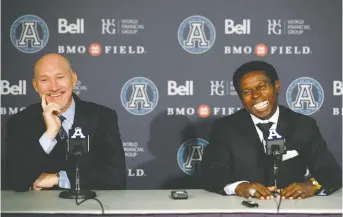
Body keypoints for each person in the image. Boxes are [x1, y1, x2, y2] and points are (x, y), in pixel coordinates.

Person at [200, 61, 342, 200]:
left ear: (277, 86)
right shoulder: (225, 128)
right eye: (247, 91)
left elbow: (330, 171)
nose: (255, 95)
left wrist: (313, 185)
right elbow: (211, 174)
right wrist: (239, 187)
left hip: (293, 209)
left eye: (261, 86)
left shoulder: (303, 125)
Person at [6, 53, 126, 192]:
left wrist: (59, 179)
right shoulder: (20, 122)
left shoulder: (102, 117)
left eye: (60, 77)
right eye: (45, 80)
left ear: (73, 79)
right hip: (42, 211)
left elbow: (116, 178)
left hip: (90, 210)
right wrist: (50, 133)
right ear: (35, 85)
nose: (54, 87)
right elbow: (17, 180)